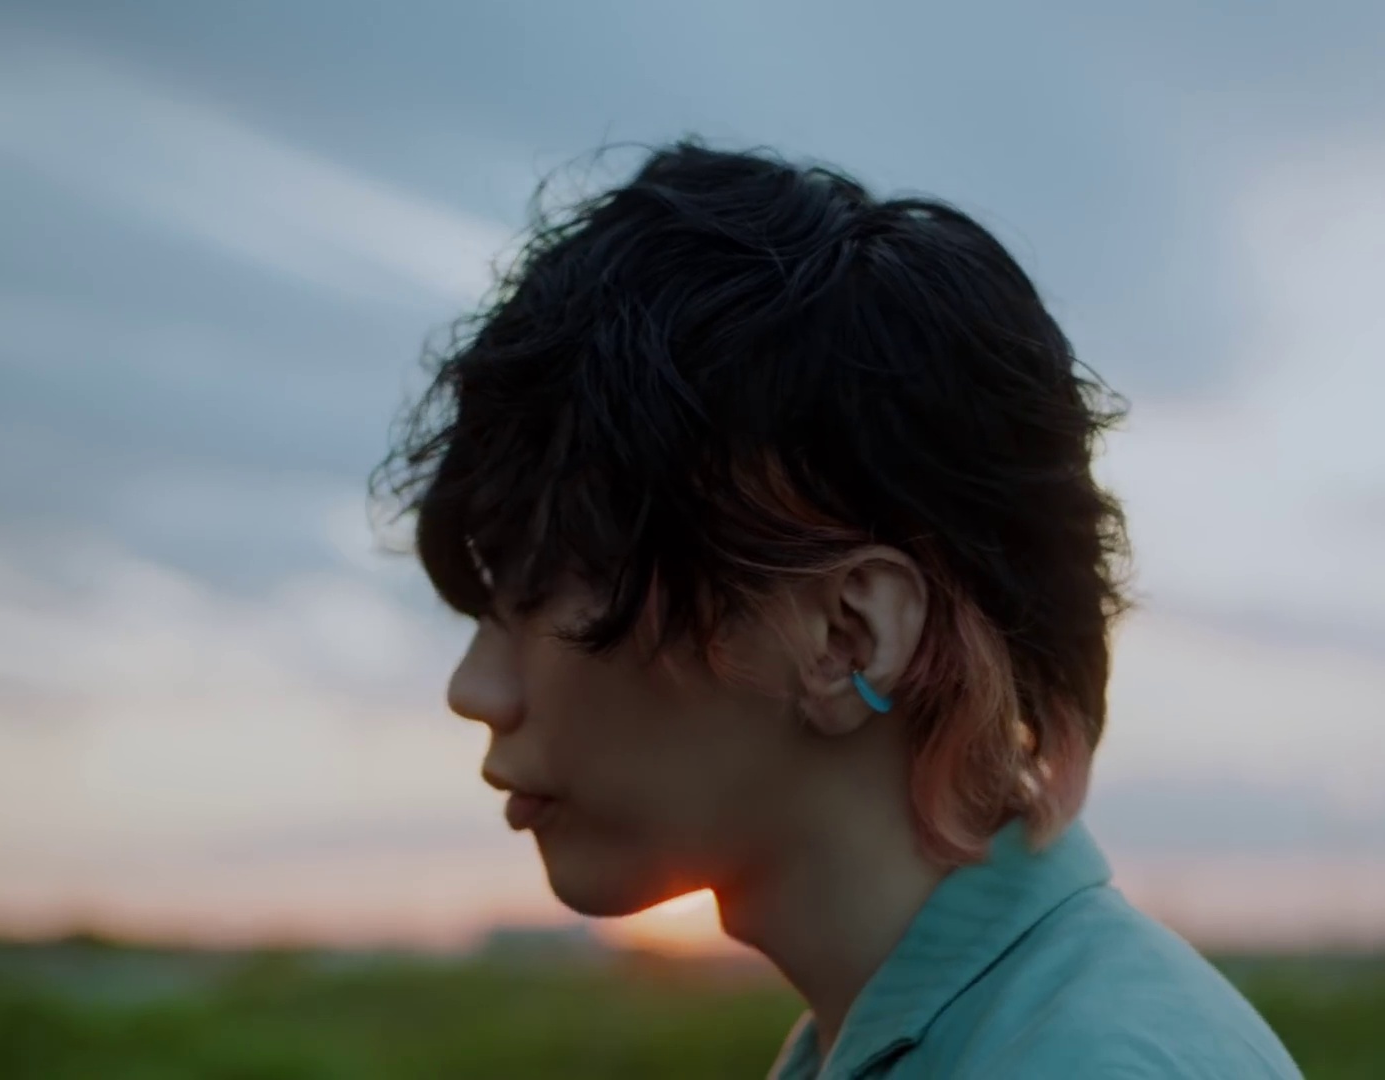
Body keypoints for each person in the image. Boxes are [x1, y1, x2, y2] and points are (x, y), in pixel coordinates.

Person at [375, 140, 1302, 1079]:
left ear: (847, 635)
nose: (475, 690)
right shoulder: (904, 1036)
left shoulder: (1084, 1063)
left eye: (540, 590)